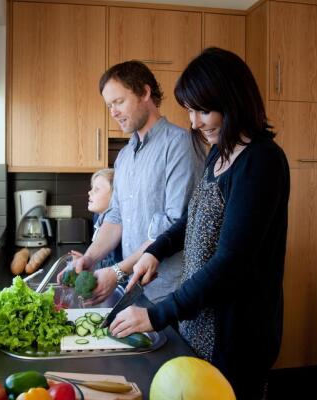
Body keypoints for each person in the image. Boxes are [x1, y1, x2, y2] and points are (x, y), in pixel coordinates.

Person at [108, 48, 290, 400]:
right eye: (190, 110)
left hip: (237, 331)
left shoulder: (262, 161)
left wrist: (158, 314)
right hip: (201, 318)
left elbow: (231, 264)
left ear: (232, 100)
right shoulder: (219, 154)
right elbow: (192, 221)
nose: (194, 122)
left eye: (203, 110)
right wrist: (156, 252)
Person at [69, 60, 205, 304]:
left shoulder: (180, 145)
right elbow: (116, 217)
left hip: (170, 291)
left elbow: (176, 225)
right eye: (109, 106)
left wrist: (118, 270)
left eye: (119, 102)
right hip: (135, 289)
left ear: (145, 92)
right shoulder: (124, 157)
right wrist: (89, 257)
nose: (113, 113)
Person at [70, 168, 122, 269]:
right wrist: (87, 259)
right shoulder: (98, 216)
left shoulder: (118, 225)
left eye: (96, 189)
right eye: (92, 188)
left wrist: (92, 264)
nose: (90, 192)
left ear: (115, 195)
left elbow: (117, 263)